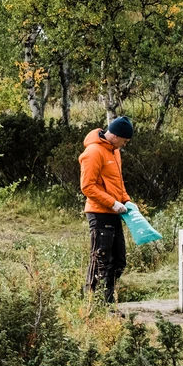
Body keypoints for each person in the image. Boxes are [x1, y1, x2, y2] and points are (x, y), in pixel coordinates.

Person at [79, 116, 134, 303]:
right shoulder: (93, 152)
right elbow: (87, 186)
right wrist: (112, 203)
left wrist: (126, 201)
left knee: (118, 261)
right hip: (99, 213)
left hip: (115, 213)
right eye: (124, 141)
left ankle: (107, 302)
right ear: (116, 135)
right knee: (100, 260)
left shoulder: (114, 151)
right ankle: (91, 304)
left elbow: (117, 182)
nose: (124, 145)